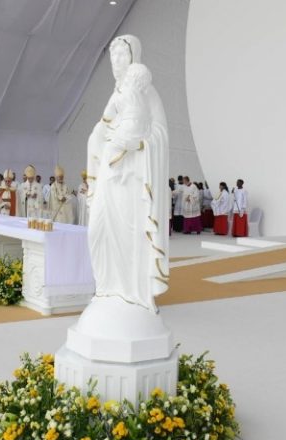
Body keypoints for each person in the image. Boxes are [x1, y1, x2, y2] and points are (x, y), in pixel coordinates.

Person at [86, 37, 169, 313]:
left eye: (122, 54)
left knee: (129, 235)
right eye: (113, 55)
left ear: (134, 57)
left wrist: (139, 144)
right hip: (110, 172)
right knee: (97, 229)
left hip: (132, 177)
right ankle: (106, 287)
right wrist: (99, 137)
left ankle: (131, 292)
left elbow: (160, 133)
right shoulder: (117, 93)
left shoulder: (147, 92)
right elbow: (104, 125)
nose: (116, 60)